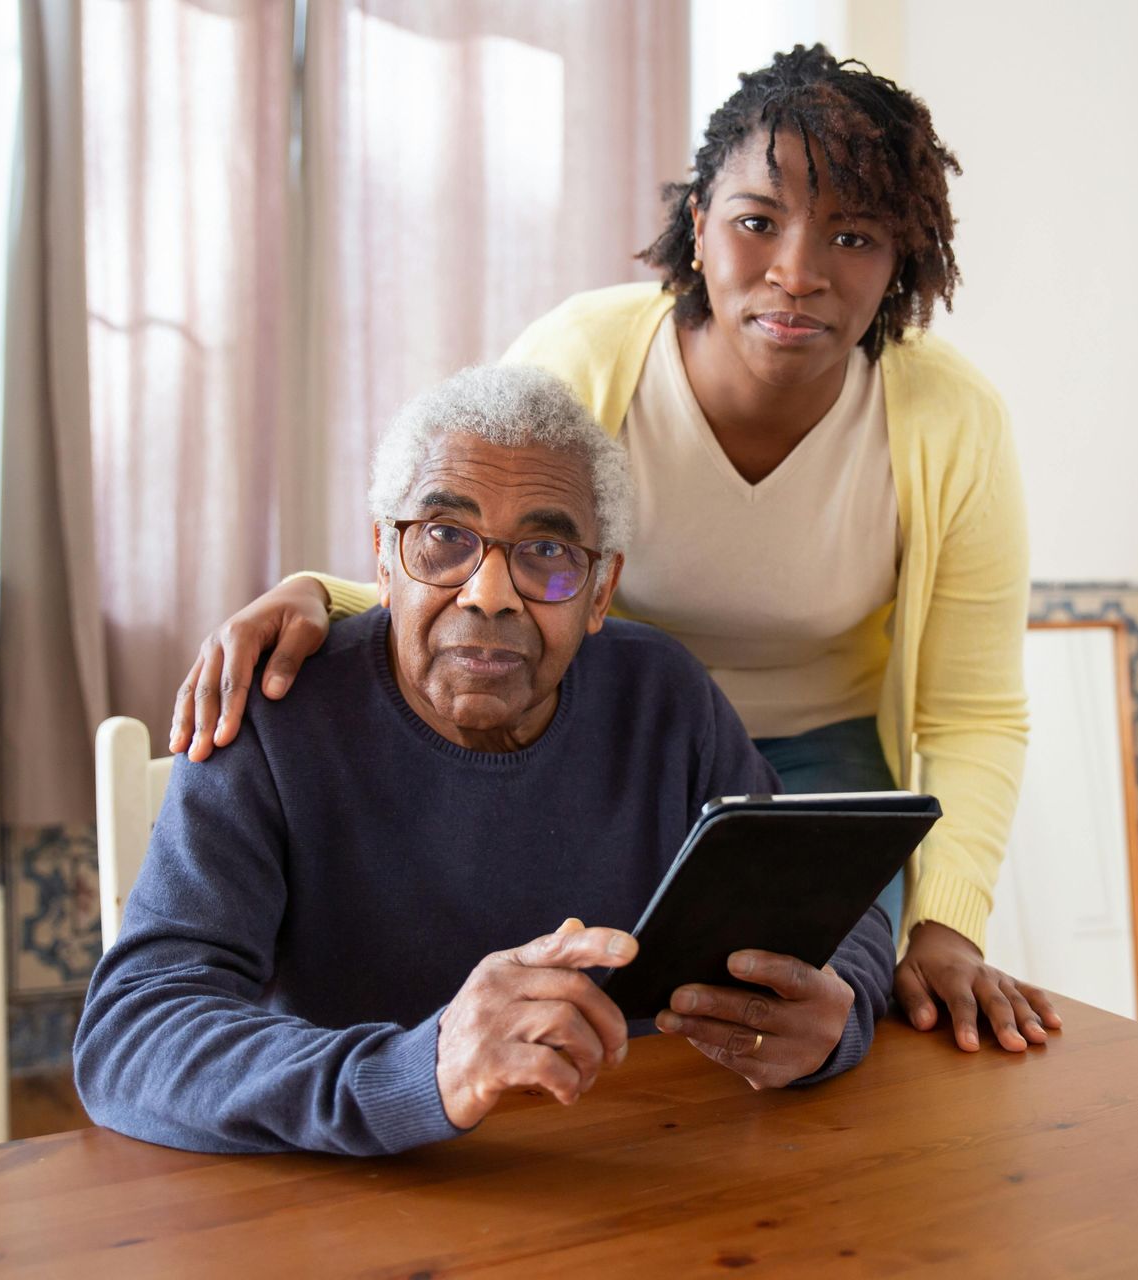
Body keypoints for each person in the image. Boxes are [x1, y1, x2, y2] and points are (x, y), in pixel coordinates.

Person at [167, 45, 1061, 1055]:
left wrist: (944, 928)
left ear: (902, 255)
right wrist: (320, 596)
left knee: (815, 1039)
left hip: (824, 767)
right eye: (757, 220)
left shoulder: (953, 420)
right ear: (699, 223)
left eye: (853, 235)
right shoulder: (590, 357)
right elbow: (479, 542)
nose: (799, 272)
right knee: (610, 1026)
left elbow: (974, 709)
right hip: (622, 743)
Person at [75, 367, 893, 1155]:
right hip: (358, 1194)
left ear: (601, 592)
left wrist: (835, 1020)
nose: (489, 593)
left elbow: (838, 912)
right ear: (384, 561)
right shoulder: (273, 713)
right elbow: (133, 1035)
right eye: (444, 539)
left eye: (546, 551)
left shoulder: (664, 698)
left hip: (644, 1170)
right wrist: (420, 1071)